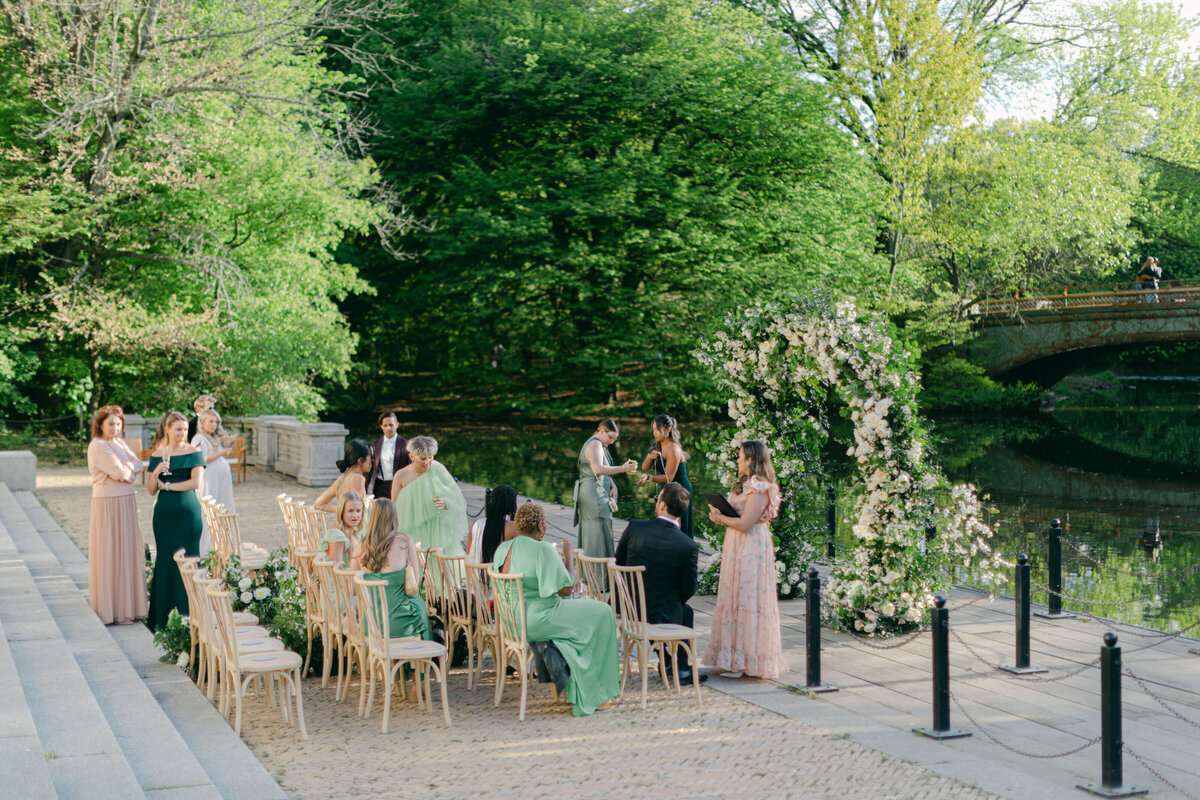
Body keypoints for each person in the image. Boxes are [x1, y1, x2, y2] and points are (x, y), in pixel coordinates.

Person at [494, 503, 620, 716]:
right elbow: (566, 589)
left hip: (512, 621)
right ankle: (597, 692)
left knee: (578, 624)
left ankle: (577, 683)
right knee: (603, 612)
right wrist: (569, 558)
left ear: (518, 525)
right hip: (540, 619)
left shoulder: (504, 548)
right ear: (541, 526)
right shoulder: (543, 549)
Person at [703, 440, 787, 680]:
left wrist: (720, 519)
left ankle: (748, 661)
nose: (737, 460)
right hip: (736, 544)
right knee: (734, 595)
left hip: (750, 545)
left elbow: (746, 523)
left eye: (740, 456)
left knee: (748, 597)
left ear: (750, 459)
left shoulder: (759, 487)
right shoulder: (743, 485)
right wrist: (719, 513)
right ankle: (731, 657)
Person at [616, 482, 703, 685]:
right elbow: (688, 588)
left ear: (662, 505)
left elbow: (618, 563)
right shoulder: (688, 545)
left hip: (627, 610)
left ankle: (669, 663)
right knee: (683, 610)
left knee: (672, 608)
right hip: (659, 613)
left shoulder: (635, 527)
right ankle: (679, 669)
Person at [86, 405, 147, 625]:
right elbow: (122, 473)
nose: (115, 428)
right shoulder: (98, 446)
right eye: (111, 424)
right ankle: (110, 610)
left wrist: (128, 468)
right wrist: (128, 470)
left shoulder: (119, 443)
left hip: (126, 500)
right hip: (108, 504)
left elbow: (139, 464)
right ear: (100, 424)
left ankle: (127, 608)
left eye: (118, 424)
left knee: (127, 552)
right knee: (110, 553)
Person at [146, 411, 205, 631]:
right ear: (168, 429)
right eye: (178, 429)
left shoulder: (194, 452)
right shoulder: (157, 454)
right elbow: (151, 491)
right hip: (163, 517)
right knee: (165, 561)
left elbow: (195, 483)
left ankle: (191, 616)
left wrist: (169, 486)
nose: (182, 433)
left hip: (187, 516)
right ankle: (162, 619)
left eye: (185, 429)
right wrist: (155, 474)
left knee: (189, 560)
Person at [353, 498, 432, 640]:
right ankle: (420, 658)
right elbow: (415, 580)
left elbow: (352, 587)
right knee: (419, 604)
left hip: (370, 624)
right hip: (401, 625)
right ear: (394, 517)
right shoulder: (405, 541)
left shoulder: (360, 547)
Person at [390, 436, 468, 557]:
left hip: (437, 527)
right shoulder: (401, 476)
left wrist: (446, 502)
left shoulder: (439, 469)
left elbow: (455, 496)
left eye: (430, 457)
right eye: (422, 458)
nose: (427, 462)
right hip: (412, 527)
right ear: (411, 457)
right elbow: (393, 505)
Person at [573, 419, 637, 560]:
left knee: (602, 532)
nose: (612, 441)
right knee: (596, 537)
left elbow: (600, 470)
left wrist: (612, 484)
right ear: (602, 431)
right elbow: (597, 468)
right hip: (593, 495)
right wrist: (623, 468)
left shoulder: (599, 444)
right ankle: (598, 578)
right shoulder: (595, 444)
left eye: (615, 439)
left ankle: (601, 577)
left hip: (597, 493)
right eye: (610, 437)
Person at [638, 414, 694, 538]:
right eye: (653, 430)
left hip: (680, 490)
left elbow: (669, 477)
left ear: (667, 430)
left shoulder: (673, 449)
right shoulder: (656, 445)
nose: (655, 433)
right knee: (664, 524)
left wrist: (650, 478)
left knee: (679, 528)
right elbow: (645, 467)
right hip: (666, 488)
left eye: (657, 430)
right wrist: (649, 457)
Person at [191, 407, 235, 555]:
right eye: (210, 421)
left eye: (216, 422)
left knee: (221, 509)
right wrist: (221, 453)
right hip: (209, 481)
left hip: (221, 481)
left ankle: (221, 547)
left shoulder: (214, 438)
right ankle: (206, 550)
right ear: (202, 422)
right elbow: (201, 459)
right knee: (208, 512)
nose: (214, 425)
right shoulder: (198, 439)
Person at [313, 439, 373, 513]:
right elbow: (358, 511)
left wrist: (343, 511)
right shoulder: (358, 478)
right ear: (360, 460)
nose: (372, 461)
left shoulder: (341, 478)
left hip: (343, 523)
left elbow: (318, 504)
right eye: (371, 457)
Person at [468, 484, 518, 564]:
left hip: (474, 574)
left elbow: (468, 554)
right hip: (497, 575)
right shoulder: (513, 527)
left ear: (492, 502)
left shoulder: (476, 524)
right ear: (512, 505)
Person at [367, 411, 409, 501]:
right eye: (385, 426)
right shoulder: (375, 444)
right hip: (379, 486)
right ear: (381, 426)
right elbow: (368, 468)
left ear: (397, 424)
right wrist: (364, 489)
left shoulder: (405, 444)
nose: (388, 428)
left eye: (391, 425)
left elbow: (410, 468)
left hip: (398, 486)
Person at [320, 490, 365, 568]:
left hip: (352, 575)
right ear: (342, 512)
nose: (355, 515)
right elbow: (337, 570)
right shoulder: (336, 534)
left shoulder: (353, 530)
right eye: (350, 511)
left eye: (358, 511)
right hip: (343, 578)